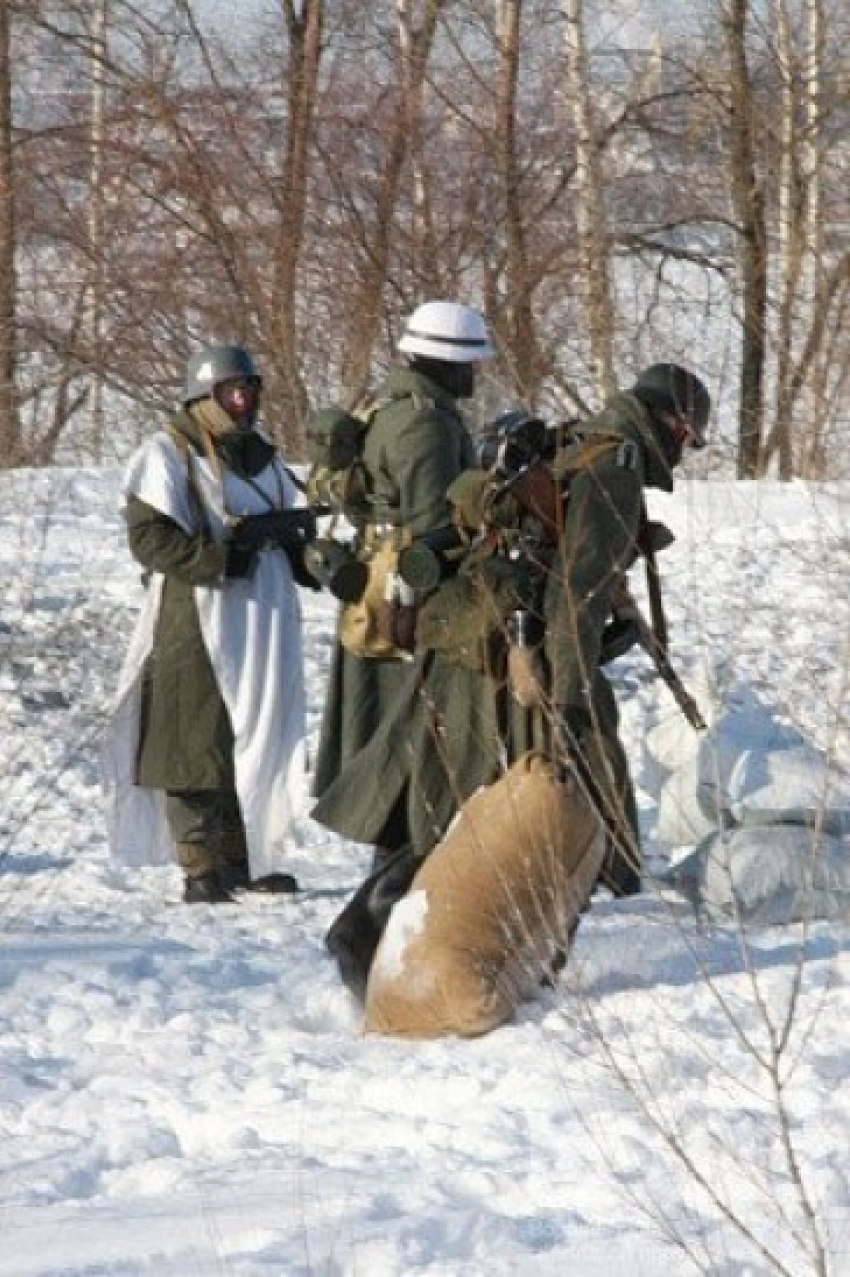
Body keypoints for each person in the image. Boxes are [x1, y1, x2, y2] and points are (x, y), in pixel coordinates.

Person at [312, 360, 710, 991]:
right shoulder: (614, 468)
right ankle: (372, 937)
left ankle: (423, 943)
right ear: (674, 423)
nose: (686, 450)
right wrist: (570, 700)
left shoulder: (580, 442)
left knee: (469, 799)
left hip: (483, 639)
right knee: (521, 805)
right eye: (690, 437)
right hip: (513, 656)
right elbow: (575, 597)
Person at [103, 343, 314, 903]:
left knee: (256, 731)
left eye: (249, 389)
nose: (242, 401)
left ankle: (247, 856)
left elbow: (289, 524)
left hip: (264, 617)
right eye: (230, 392)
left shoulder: (262, 457)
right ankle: (200, 861)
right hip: (195, 611)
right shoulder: (167, 454)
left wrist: (303, 552)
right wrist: (221, 560)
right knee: (193, 734)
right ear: (204, 396)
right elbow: (150, 540)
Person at [311, 299, 495, 869]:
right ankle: (397, 867)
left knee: (396, 728)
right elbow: (432, 525)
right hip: (408, 594)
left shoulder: (391, 406)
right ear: (446, 361)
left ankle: (397, 862)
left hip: (382, 581)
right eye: (470, 362)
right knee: (406, 731)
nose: (475, 373)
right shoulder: (423, 423)